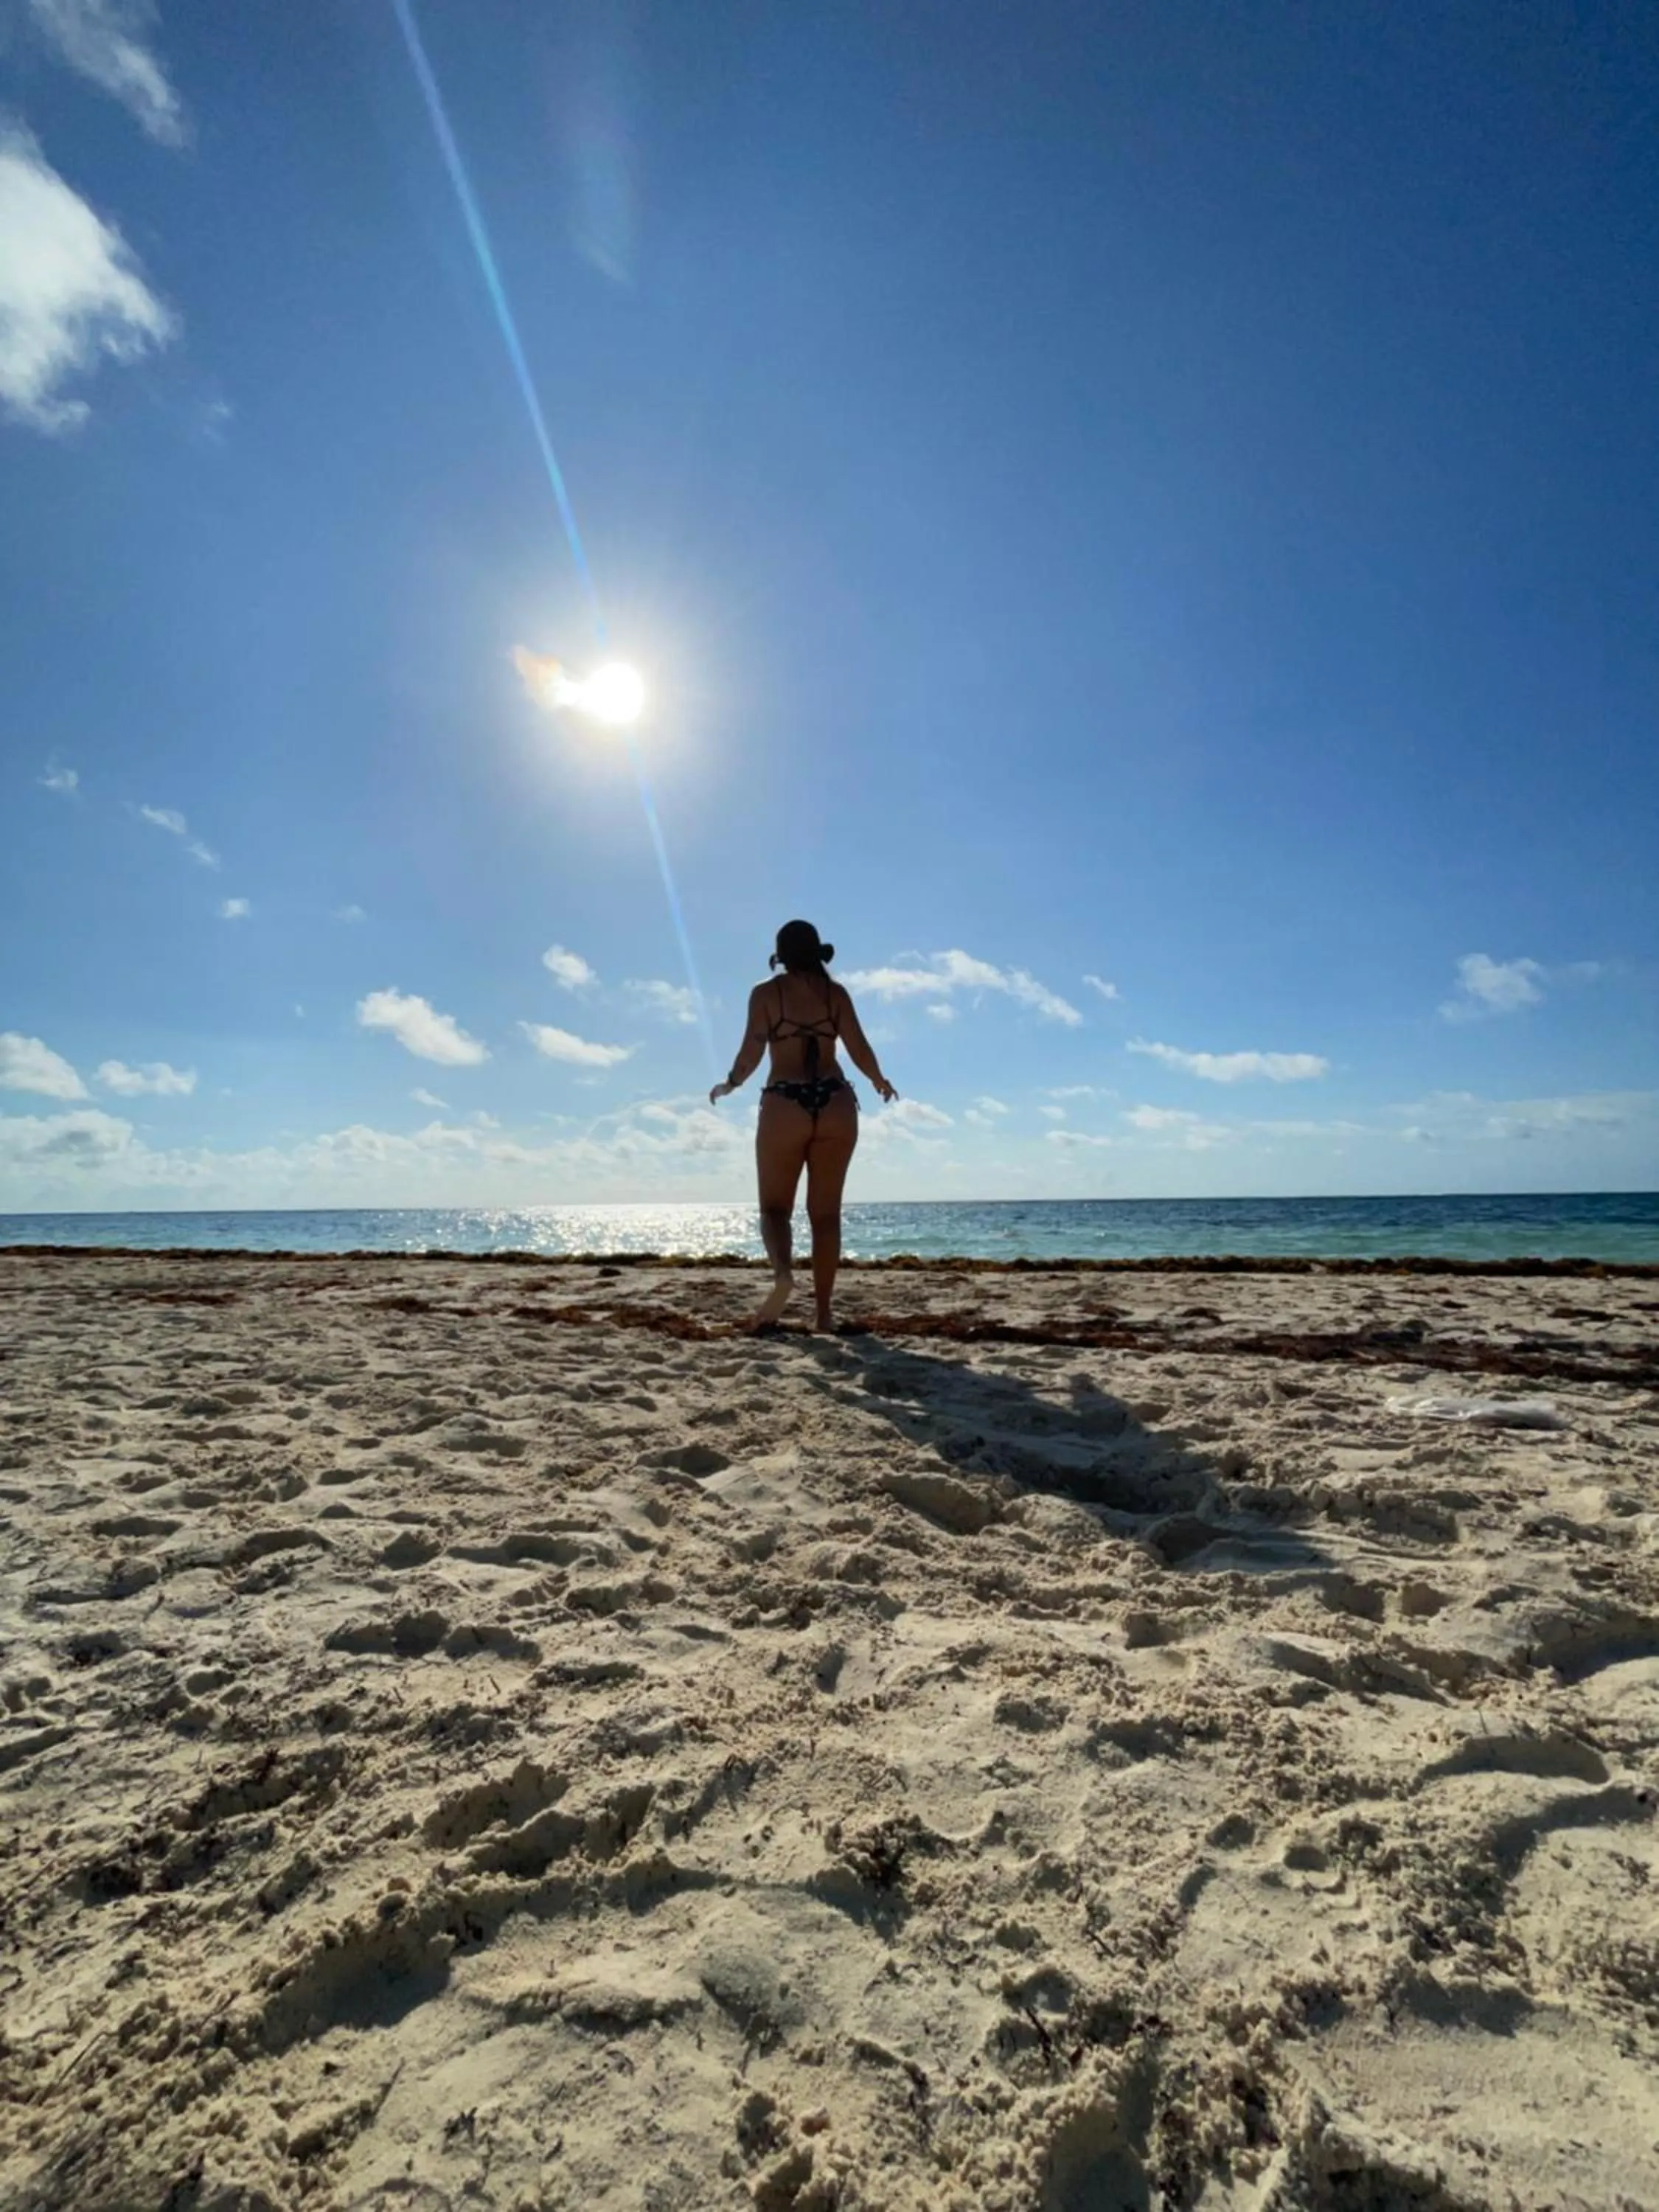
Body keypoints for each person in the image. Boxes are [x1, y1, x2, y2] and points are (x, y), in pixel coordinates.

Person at [709, 919, 897, 1330]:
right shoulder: (836, 995)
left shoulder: (766, 995)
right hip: (835, 1101)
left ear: (781, 956)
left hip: (785, 1102)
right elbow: (859, 1047)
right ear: (818, 953)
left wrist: (731, 1083)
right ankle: (824, 1314)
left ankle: (783, 1277)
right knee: (825, 1216)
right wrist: (879, 1081)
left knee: (775, 1209)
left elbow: (751, 1052)